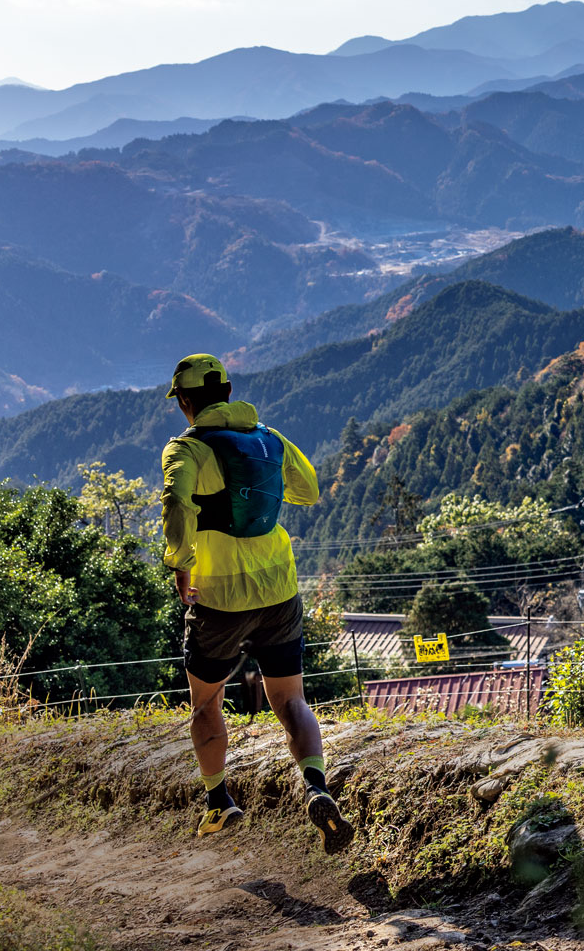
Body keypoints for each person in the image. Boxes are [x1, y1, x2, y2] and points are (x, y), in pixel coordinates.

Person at [160, 352, 354, 850]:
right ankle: (315, 785)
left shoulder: (187, 449)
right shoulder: (268, 437)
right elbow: (308, 490)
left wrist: (181, 563)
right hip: (278, 589)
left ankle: (218, 802)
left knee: (206, 703)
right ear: (227, 391)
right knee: (290, 699)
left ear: (184, 402)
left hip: (217, 593)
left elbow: (176, 502)